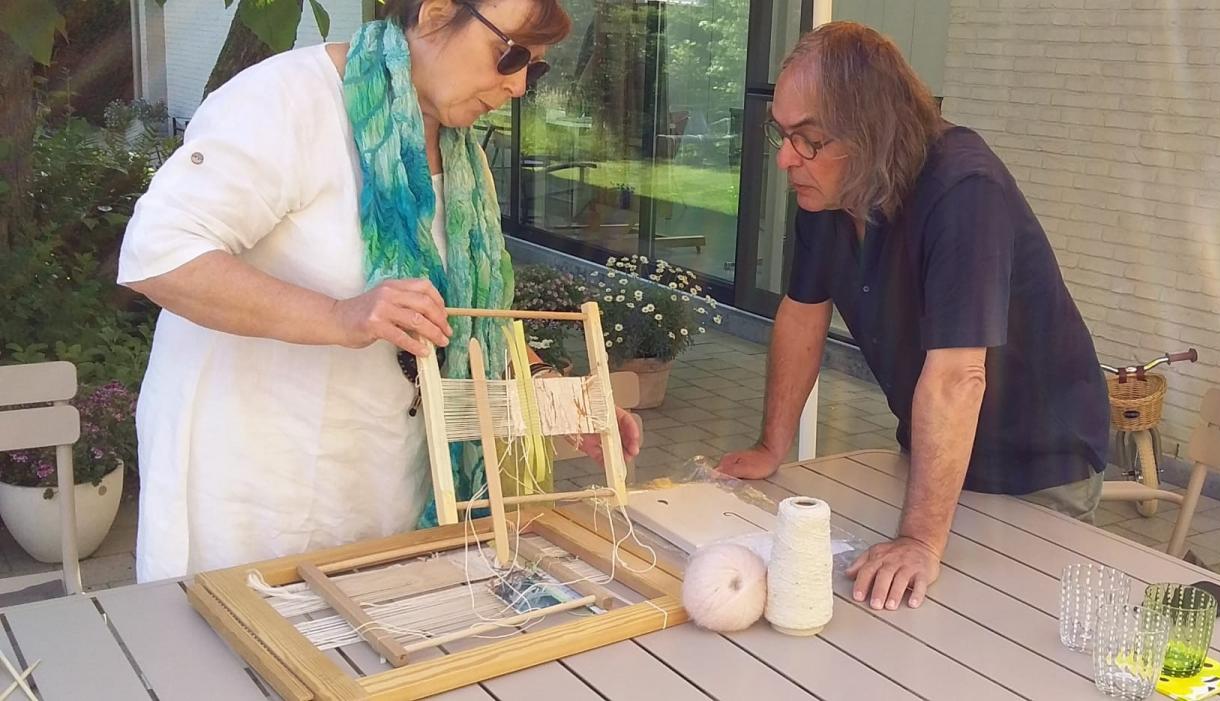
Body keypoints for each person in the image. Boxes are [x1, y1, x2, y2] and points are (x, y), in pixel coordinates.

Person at [117, 0, 640, 583]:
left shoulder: (466, 161)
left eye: (535, 69)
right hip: (257, 492)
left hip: (390, 483)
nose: (518, 85)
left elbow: (465, 324)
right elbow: (159, 254)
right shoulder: (288, 101)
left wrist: (550, 392)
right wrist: (341, 316)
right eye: (510, 54)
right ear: (437, 13)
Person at [718, 23, 1109, 612]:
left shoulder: (963, 190)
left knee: (984, 636)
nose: (784, 158)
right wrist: (773, 445)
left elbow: (957, 376)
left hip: (1039, 467)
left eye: (807, 139)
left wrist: (921, 540)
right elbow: (803, 314)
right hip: (935, 453)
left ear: (869, 134)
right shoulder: (828, 192)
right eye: (782, 133)